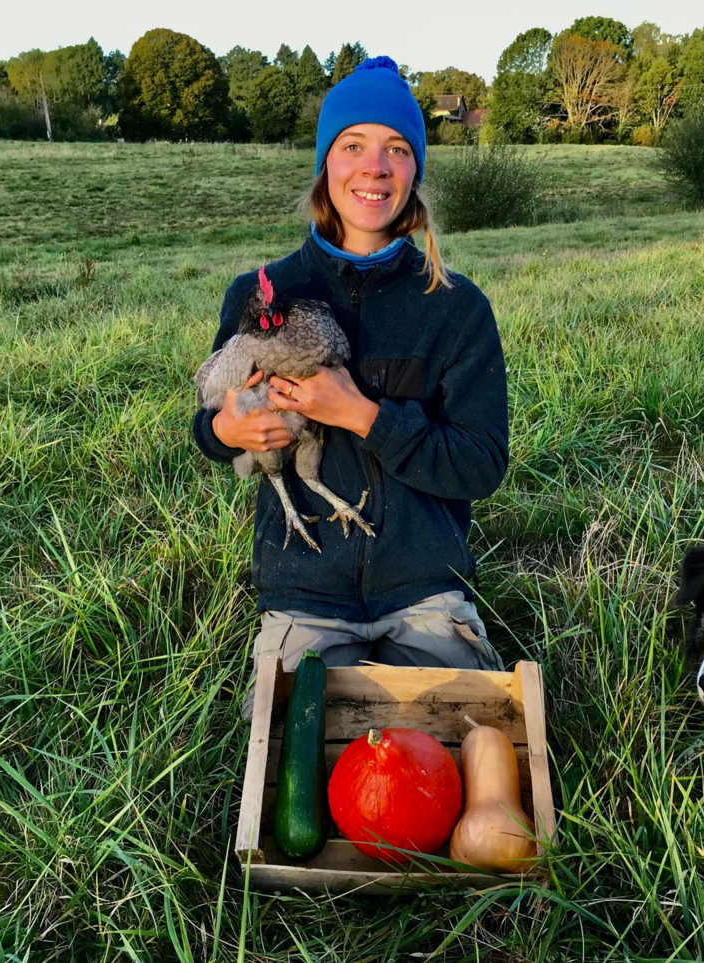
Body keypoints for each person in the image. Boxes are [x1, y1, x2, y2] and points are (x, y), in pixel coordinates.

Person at [190, 56, 509, 716]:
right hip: (305, 590)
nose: (376, 167)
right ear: (325, 164)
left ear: (415, 171)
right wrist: (226, 429)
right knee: (289, 746)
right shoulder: (261, 293)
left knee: (465, 733)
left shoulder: (455, 307)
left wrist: (366, 416)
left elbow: (481, 463)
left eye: (398, 149)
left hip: (424, 589)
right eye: (353, 145)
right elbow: (210, 425)